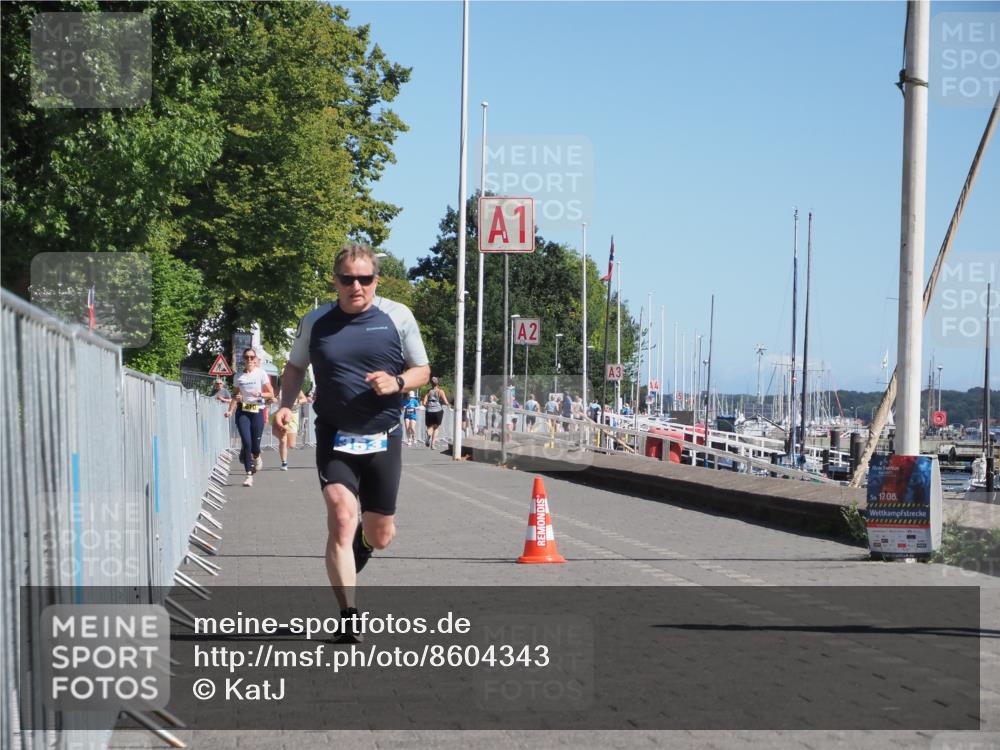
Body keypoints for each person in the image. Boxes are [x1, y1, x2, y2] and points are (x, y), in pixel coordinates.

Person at [274, 243, 429, 642]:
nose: (356, 286)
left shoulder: (398, 316)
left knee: (381, 535)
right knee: (342, 516)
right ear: (335, 280)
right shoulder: (316, 321)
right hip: (335, 435)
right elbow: (295, 366)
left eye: (364, 279)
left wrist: (397, 382)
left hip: (384, 437)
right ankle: (348, 617)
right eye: (347, 279)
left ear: (376, 280)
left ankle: (366, 539)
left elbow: (422, 370)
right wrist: (284, 405)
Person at [225, 348, 274, 487]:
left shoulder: (261, 373)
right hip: (243, 411)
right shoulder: (238, 376)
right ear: (243, 359)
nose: (249, 360)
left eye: (252, 357)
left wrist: (259, 394)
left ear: (255, 359)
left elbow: (271, 393)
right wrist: (230, 410)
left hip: (257, 411)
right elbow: (235, 395)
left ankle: (257, 456)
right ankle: (248, 475)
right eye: (247, 357)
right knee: (246, 442)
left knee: (255, 446)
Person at [271, 389, 309, 470]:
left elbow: (305, 399)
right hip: (281, 414)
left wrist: (297, 401)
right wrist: (273, 399)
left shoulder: (296, 388)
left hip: (293, 414)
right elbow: (272, 397)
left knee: (291, 445)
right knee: (283, 439)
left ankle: (284, 445)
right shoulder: (278, 389)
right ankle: (284, 463)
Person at [422, 377, 449, 448]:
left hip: (429, 410)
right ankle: (433, 445)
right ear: (437, 383)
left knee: (429, 426)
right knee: (436, 428)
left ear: (431, 383)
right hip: (438, 411)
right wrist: (442, 403)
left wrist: (427, 406)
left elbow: (424, 403)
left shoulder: (428, 391)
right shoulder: (440, 391)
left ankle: (428, 435)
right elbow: (446, 402)